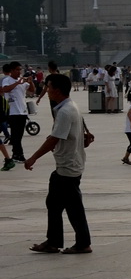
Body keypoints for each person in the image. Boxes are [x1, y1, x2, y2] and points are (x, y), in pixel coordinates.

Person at [25, 74, 92, 254]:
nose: (46, 90)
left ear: (57, 90)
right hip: (68, 163)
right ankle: (54, 241)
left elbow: (54, 139)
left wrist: (33, 157)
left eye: (48, 87)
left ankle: (83, 243)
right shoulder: (70, 106)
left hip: (68, 166)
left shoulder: (64, 111)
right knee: (54, 203)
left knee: (73, 207)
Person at [1, 61, 32, 163]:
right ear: (12, 70)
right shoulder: (7, 80)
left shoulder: (21, 80)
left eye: (20, 70)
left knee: (19, 135)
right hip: (13, 112)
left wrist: (30, 82)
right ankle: (19, 155)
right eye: (17, 70)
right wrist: (17, 83)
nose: (19, 72)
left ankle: (16, 154)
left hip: (22, 111)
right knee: (16, 135)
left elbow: (32, 90)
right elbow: (5, 89)